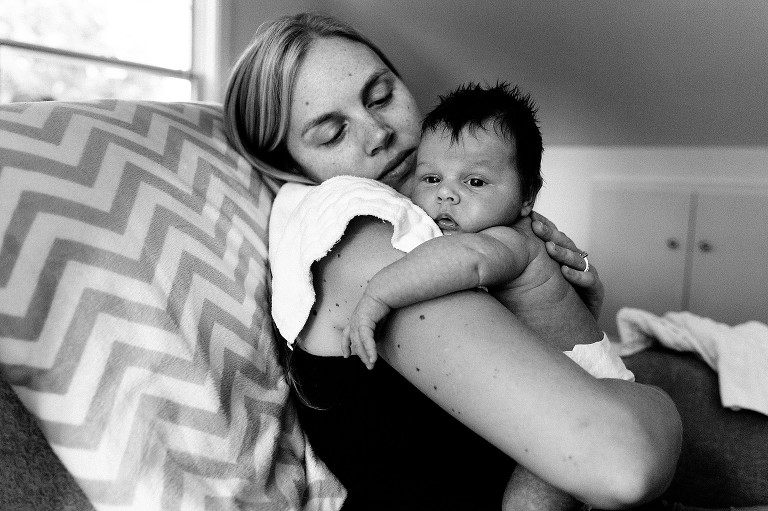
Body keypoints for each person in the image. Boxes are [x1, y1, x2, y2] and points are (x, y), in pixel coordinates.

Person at [224, 12, 682, 511]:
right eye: (333, 133)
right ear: (289, 162)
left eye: (381, 96)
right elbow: (620, 462)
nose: (378, 131)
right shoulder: (352, 222)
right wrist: (657, 404)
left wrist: (559, 308)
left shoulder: (418, 212)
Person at [341, 81, 634, 510]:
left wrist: (377, 295)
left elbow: (467, 259)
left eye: (475, 181)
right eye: (431, 178)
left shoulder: (507, 241)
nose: (447, 193)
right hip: (566, 384)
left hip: (588, 393)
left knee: (529, 501)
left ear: (526, 198)